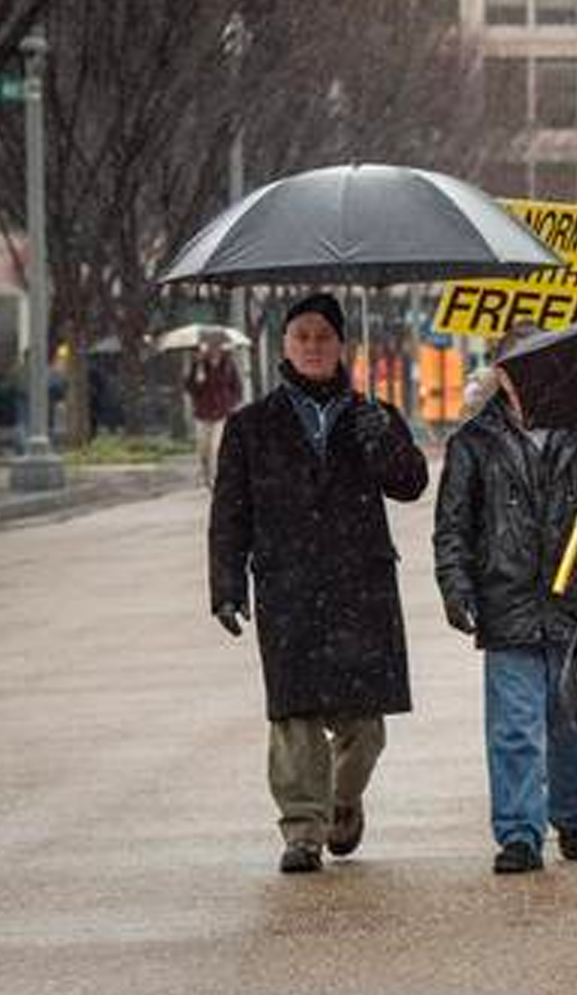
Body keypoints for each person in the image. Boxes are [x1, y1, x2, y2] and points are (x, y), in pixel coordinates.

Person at [208, 292, 429, 875]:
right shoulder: (249, 427)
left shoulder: (371, 414)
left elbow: (410, 485)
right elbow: (230, 514)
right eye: (302, 335)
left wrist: (382, 437)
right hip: (290, 589)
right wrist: (227, 585)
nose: (312, 346)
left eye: (323, 336)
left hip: (361, 586)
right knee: (295, 719)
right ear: (284, 345)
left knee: (365, 727)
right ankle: (302, 831)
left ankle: (341, 801)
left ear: (341, 346)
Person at [433, 324, 577, 875]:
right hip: (507, 602)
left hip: (574, 601)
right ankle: (519, 833)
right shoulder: (473, 443)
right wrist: (455, 585)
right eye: (517, 362)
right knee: (514, 726)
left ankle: (569, 811)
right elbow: (453, 524)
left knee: (573, 721)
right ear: (500, 372)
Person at [185, 336, 242, 490]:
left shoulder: (228, 365)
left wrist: (231, 403)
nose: (213, 350)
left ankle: (215, 479)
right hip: (202, 413)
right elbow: (190, 389)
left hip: (221, 414)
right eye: (211, 346)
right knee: (203, 450)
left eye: (216, 346)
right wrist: (197, 372)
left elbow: (237, 388)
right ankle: (205, 475)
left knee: (215, 448)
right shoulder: (199, 365)